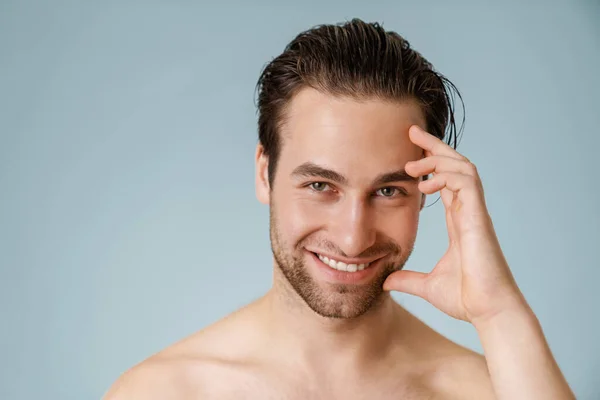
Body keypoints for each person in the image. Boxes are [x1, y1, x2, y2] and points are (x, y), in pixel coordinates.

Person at [105, 18, 575, 399]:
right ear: (263, 172)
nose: (354, 238)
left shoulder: (487, 390)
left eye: (389, 191)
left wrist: (498, 313)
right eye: (319, 185)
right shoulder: (162, 391)